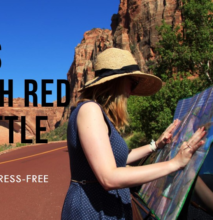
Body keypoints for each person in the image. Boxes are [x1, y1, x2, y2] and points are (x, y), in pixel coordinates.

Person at [61, 48, 207, 220]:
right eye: (133, 83)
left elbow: (118, 158)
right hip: (93, 209)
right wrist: (174, 164)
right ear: (118, 81)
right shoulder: (90, 110)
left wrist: (156, 145)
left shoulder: (100, 114)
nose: (132, 91)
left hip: (104, 205)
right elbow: (109, 177)